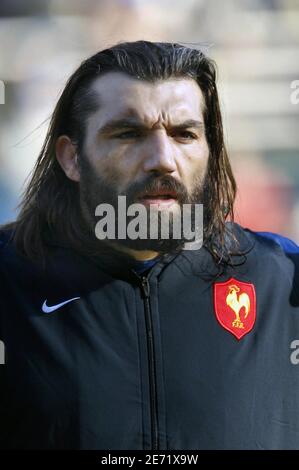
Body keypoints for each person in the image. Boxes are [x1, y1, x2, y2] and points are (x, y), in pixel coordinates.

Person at [0, 40, 298, 450]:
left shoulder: (283, 284)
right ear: (71, 158)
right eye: (128, 133)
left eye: (184, 134)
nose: (162, 158)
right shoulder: (9, 282)